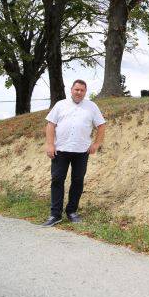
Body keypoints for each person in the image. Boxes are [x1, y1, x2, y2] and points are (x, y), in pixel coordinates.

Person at [42, 79, 106, 227]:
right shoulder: (60, 105)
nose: (79, 92)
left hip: (81, 151)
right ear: (71, 90)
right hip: (61, 150)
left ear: (85, 92)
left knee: (77, 181)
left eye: (82, 90)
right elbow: (51, 125)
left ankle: (71, 212)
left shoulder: (92, 107)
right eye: (76, 89)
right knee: (57, 180)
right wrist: (50, 144)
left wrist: (96, 144)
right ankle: (55, 215)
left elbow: (101, 126)